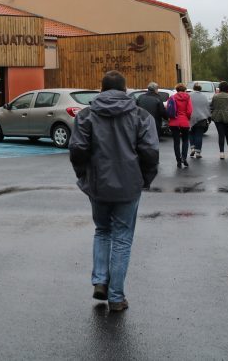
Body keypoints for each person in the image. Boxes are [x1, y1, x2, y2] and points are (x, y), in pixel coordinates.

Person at [70, 70, 159, 312]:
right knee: (122, 238)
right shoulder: (140, 116)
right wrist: (145, 178)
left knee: (102, 231)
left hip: (98, 185)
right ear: (125, 90)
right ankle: (116, 297)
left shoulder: (86, 115)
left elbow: (77, 148)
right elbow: (150, 151)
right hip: (129, 185)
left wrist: (84, 176)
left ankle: (100, 280)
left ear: (101, 89)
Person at [210, 81, 228, 159]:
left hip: (217, 117)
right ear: (227, 88)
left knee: (221, 135)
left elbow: (212, 106)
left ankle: (221, 153)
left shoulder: (215, 96)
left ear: (220, 88)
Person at [168, 84, 193, 168]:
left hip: (174, 122)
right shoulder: (188, 97)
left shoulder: (172, 97)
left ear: (177, 89)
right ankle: (184, 158)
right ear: (184, 90)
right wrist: (187, 118)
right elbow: (189, 111)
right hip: (184, 122)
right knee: (185, 140)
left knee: (176, 142)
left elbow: (169, 109)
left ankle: (178, 160)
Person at [189, 83, 211, 158]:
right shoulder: (204, 97)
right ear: (200, 89)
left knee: (191, 133)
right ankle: (198, 152)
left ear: (193, 88)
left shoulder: (189, 95)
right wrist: (209, 118)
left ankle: (192, 148)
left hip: (191, 118)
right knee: (199, 135)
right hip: (202, 118)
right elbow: (207, 107)